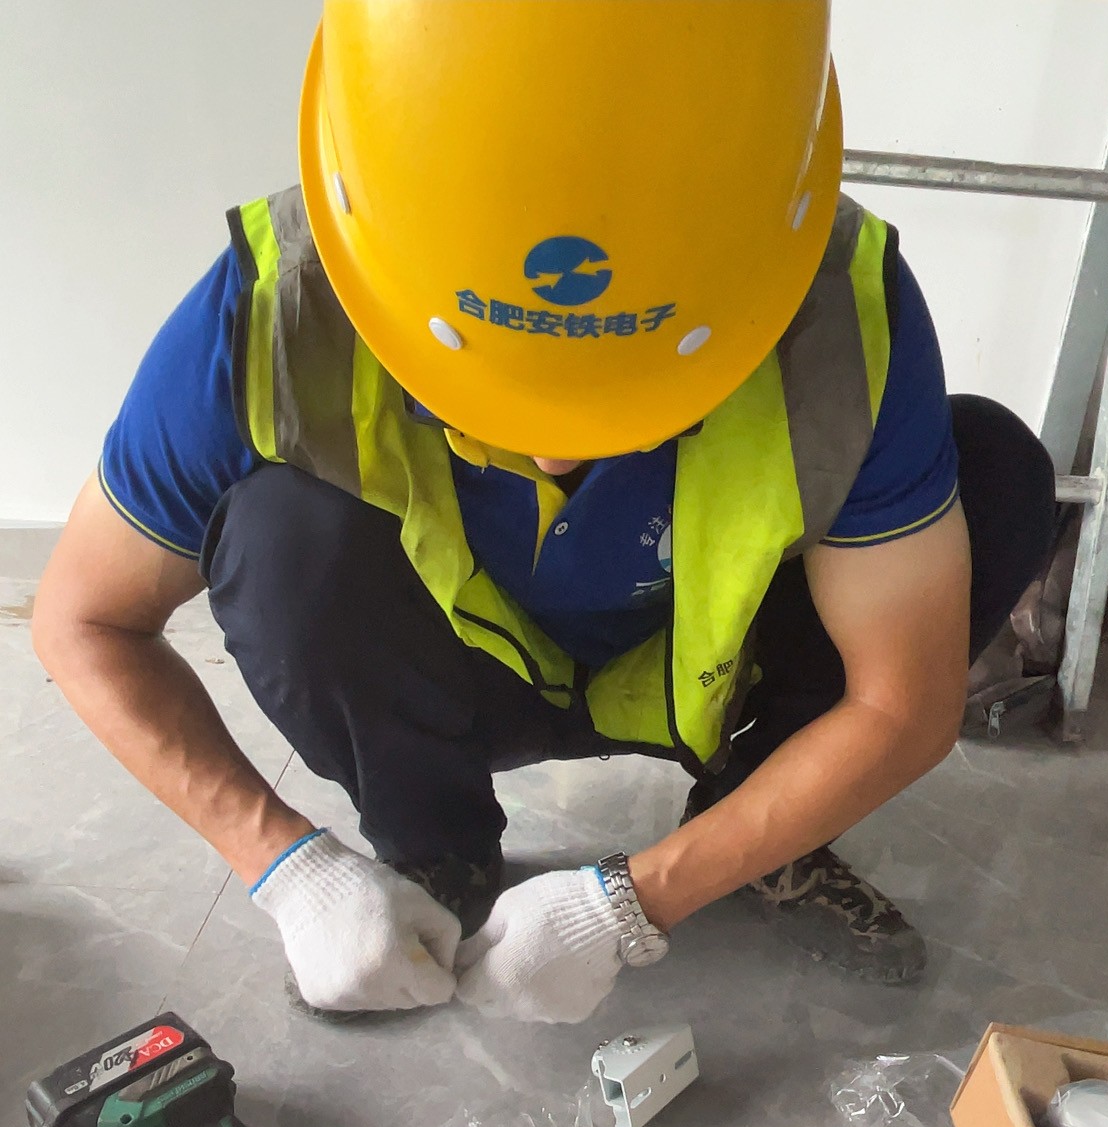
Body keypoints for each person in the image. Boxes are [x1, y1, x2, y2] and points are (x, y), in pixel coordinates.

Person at [32, 1, 1056, 1025]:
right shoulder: (277, 308)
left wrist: (642, 899)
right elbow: (83, 621)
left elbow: (901, 702)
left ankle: (762, 829)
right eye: (484, 382)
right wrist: (287, 865)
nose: (556, 450)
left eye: (634, 387)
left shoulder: (843, 316)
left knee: (993, 473)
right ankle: (437, 848)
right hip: (451, 676)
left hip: (700, 666)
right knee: (280, 537)